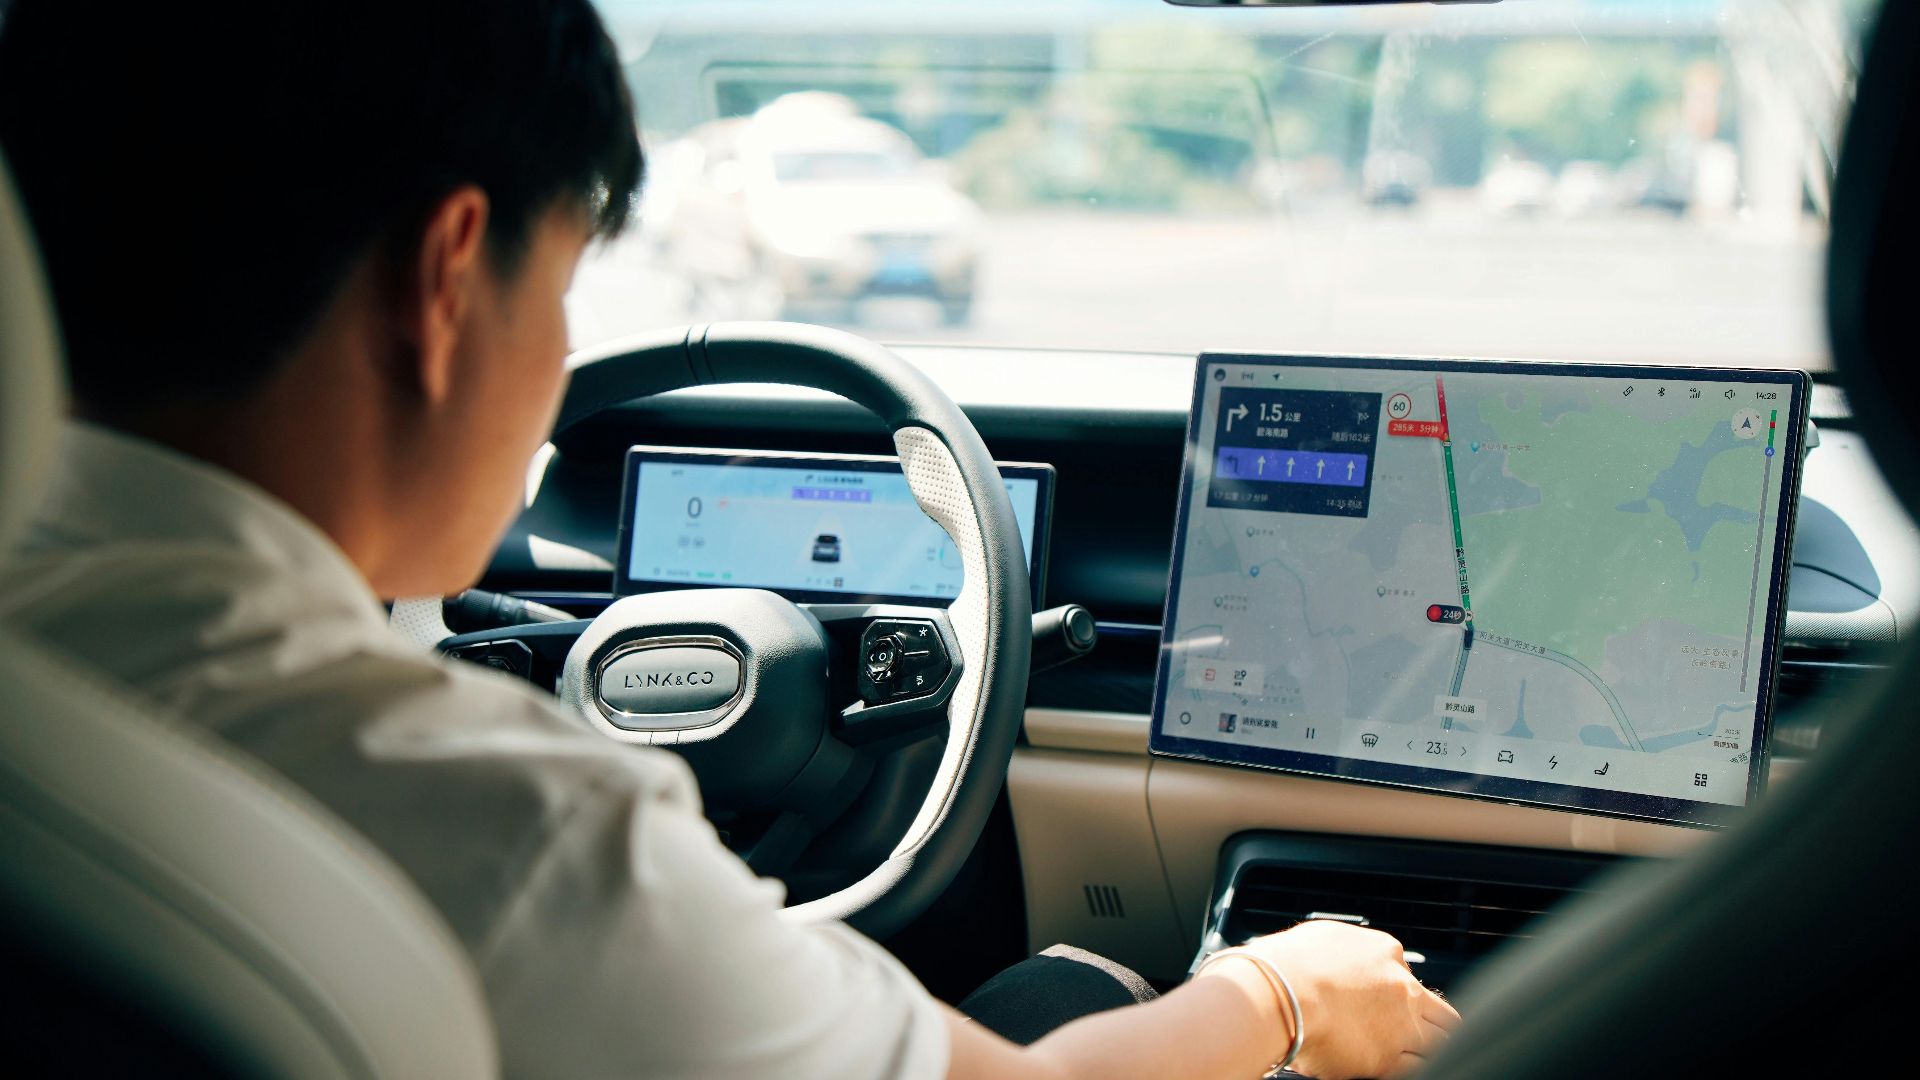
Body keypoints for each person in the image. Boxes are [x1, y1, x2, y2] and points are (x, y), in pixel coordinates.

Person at [0, 1, 1458, 1077]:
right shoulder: (519, 833)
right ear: (447, 279)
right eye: (567, 286)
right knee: (1069, 989)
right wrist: (1284, 989)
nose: (567, 359)